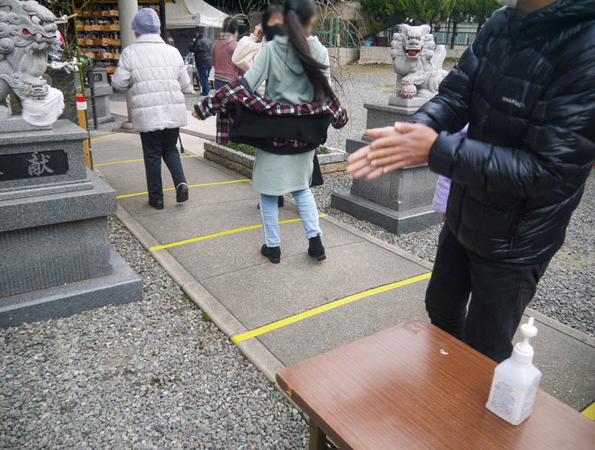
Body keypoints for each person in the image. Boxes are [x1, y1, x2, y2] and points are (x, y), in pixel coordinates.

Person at [347, 0, 595, 363]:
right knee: (441, 308)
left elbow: (549, 169)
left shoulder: (585, 45)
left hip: (517, 239)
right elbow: (455, 94)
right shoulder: (500, 23)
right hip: (465, 212)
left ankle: (471, 408)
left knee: (486, 346)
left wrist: (437, 150)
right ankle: (449, 384)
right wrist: (417, 128)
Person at [240, 0, 334, 264]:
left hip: (273, 131)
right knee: (302, 188)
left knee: (270, 192)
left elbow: (248, 85)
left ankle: (274, 248)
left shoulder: (271, 49)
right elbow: (324, 97)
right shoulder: (320, 52)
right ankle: (316, 243)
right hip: (305, 133)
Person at [112, 8, 190, 210]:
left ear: (137, 30)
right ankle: (181, 184)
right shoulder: (173, 51)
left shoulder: (130, 52)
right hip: (172, 111)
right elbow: (184, 83)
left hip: (147, 114)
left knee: (152, 155)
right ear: (157, 29)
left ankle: (157, 199)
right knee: (170, 149)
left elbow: (119, 84)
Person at [232, 4, 286, 209]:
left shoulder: (289, 43)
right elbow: (237, 59)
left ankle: (285, 194)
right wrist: (254, 37)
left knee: (277, 152)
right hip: (264, 105)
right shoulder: (263, 44)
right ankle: (275, 195)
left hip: (280, 107)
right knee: (267, 152)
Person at [212, 17, 244, 93]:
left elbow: (213, 63)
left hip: (217, 79)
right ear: (236, 31)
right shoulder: (235, 45)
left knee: (221, 103)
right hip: (230, 81)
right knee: (231, 104)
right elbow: (241, 66)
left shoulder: (216, 44)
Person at [189, 27, 212, 97]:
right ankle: (207, 91)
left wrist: (190, 45)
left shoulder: (198, 41)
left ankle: (206, 93)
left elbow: (193, 49)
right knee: (206, 78)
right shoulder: (208, 40)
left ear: (198, 32)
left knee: (203, 78)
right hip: (209, 61)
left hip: (202, 62)